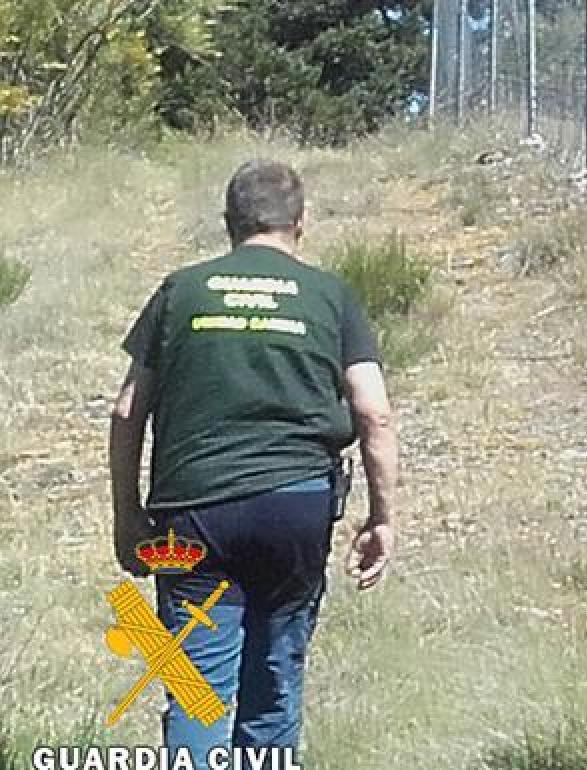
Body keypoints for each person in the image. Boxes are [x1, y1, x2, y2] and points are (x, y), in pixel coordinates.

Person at [109, 160, 398, 766]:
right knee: (273, 685)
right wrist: (382, 519)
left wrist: (127, 515)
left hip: (191, 517)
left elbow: (127, 411)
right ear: (301, 222)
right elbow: (374, 415)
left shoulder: (180, 290)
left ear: (228, 223)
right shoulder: (330, 295)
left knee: (195, 692)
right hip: (294, 510)